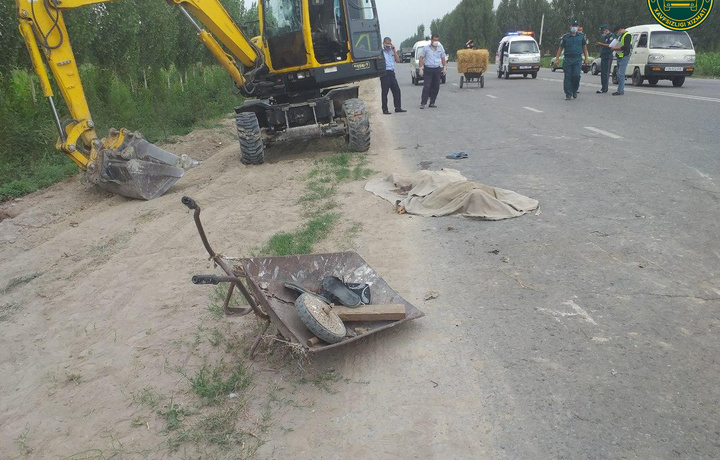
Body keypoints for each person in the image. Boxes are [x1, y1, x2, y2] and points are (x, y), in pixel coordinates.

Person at [554, 20, 589, 100]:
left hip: (577, 59)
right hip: (568, 59)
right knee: (568, 76)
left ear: (578, 27)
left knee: (576, 76)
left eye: (576, 26)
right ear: (570, 27)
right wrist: (557, 59)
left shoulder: (581, 36)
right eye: (573, 25)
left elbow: (584, 47)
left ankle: (574, 90)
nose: (574, 27)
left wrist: (586, 58)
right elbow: (560, 48)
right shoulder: (565, 37)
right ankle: (568, 94)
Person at [418, 34, 446, 109]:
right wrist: (420, 68)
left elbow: (443, 58)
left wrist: (444, 67)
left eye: (437, 40)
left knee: (436, 86)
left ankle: (432, 102)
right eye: (435, 40)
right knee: (427, 86)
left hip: (437, 69)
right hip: (428, 69)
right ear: (431, 40)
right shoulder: (426, 48)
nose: (436, 42)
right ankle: (423, 103)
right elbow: (421, 58)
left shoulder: (440, 48)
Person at [380, 37, 406, 114]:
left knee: (396, 90)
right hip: (384, 73)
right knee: (385, 92)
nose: (388, 45)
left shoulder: (392, 51)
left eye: (389, 44)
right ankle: (385, 109)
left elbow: (398, 60)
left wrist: (394, 50)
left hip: (391, 72)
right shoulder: (381, 52)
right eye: (387, 44)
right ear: (383, 43)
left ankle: (398, 107)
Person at [611, 26, 632, 96]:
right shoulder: (622, 36)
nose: (617, 33)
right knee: (618, 73)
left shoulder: (627, 35)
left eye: (617, 32)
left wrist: (616, 47)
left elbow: (626, 46)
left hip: (624, 56)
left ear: (620, 30)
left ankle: (620, 90)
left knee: (621, 73)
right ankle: (619, 90)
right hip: (620, 55)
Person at [595, 24, 615, 94]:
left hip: (608, 56)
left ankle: (604, 88)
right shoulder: (606, 37)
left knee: (606, 72)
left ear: (606, 30)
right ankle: (603, 87)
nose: (603, 33)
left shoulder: (611, 36)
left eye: (603, 31)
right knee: (603, 72)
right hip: (604, 56)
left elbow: (610, 45)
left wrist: (601, 44)